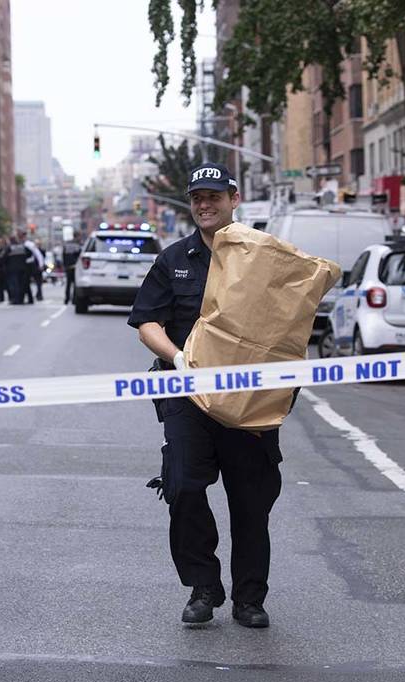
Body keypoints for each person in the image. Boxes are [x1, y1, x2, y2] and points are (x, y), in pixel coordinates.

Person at [127, 163, 283, 629]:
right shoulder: (174, 258)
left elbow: (290, 316)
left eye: (213, 196)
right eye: (196, 197)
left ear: (234, 198)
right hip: (185, 394)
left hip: (246, 398)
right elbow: (147, 322)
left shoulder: (262, 257)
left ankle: (249, 599)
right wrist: (176, 358)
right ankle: (204, 586)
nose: (204, 204)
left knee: (250, 502)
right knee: (185, 488)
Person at [62, 232, 82, 304]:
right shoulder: (78, 245)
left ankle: (66, 299)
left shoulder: (67, 244)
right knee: (75, 284)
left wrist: (64, 265)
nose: (80, 238)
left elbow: (63, 255)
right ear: (77, 236)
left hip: (68, 266)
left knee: (68, 284)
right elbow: (80, 256)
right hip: (75, 266)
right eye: (79, 237)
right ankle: (74, 299)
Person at [25, 236, 45, 302]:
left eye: (38, 244)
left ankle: (39, 295)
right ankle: (35, 295)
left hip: (38, 268)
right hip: (32, 267)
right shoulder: (32, 249)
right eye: (36, 243)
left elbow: (41, 258)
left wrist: (41, 266)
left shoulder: (42, 250)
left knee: (39, 282)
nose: (37, 245)